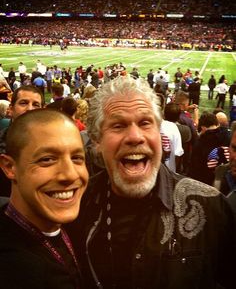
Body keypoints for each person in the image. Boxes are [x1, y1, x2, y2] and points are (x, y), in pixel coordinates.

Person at [67, 76, 235, 289]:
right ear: (97, 141)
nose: (135, 136)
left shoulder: (211, 207)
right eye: (118, 125)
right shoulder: (77, 206)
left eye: (146, 123)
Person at [0, 109, 88, 289]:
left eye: (77, 158)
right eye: (47, 159)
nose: (70, 174)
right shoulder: (14, 270)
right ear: (10, 167)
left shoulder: (80, 227)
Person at [0, 85, 43, 196]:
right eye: (23, 103)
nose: (29, 109)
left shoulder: (54, 144)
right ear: (10, 109)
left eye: (36, 105)